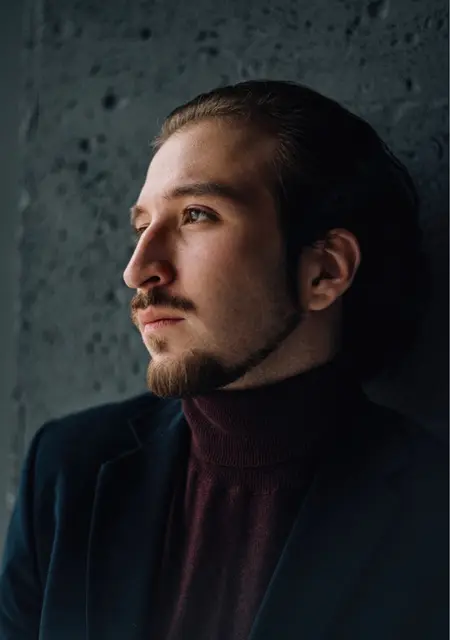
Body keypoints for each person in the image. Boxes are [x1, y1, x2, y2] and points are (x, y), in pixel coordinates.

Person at [0, 80, 447, 640]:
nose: (137, 270)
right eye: (142, 227)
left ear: (325, 271)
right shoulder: (68, 470)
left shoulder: (434, 509)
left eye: (196, 214)